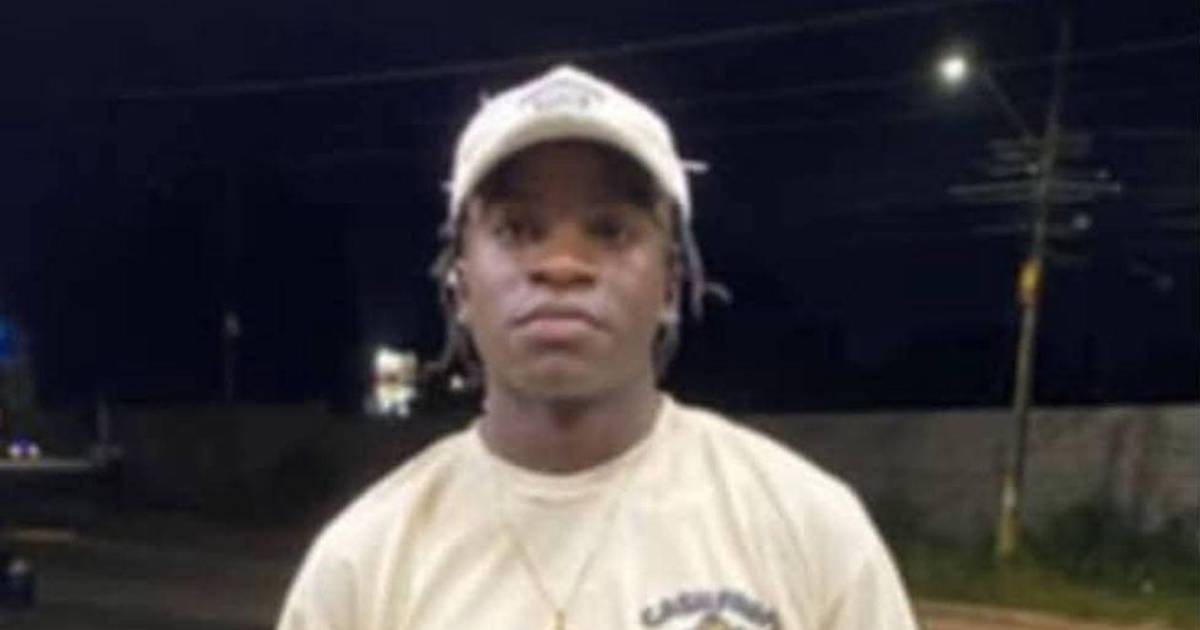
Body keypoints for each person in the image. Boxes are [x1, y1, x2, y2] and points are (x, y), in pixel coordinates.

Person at [277, 64, 917, 630]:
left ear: (670, 284)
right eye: (516, 229)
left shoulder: (806, 526)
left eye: (610, 230)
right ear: (461, 286)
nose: (562, 264)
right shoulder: (364, 560)